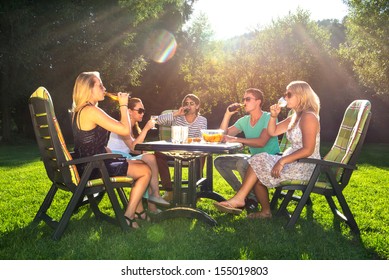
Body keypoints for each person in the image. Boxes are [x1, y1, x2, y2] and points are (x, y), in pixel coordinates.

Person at [214, 81, 321, 219]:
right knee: (258, 163)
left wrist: (282, 161)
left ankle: (240, 198)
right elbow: (273, 131)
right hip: (293, 161)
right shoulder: (295, 117)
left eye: (288, 94)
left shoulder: (309, 117)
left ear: (301, 96)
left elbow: (308, 149)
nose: (285, 98)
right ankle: (264, 211)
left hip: (305, 165)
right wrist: (274, 117)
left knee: (258, 160)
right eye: (284, 94)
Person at [71, 71, 150, 229]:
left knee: (140, 165)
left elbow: (89, 143)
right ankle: (128, 216)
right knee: (145, 171)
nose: (104, 88)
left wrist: (108, 152)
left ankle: (138, 211)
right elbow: (125, 130)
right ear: (89, 89)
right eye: (100, 85)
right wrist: (123, 105)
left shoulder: (80, 111)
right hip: (93, 168)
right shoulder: (91, 111)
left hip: (89, 164)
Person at [214, 88, 280, 212]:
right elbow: (222, 135)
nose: (244, 102)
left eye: (248, 99)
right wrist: (227, 114)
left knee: (242, 163)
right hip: (253, 159)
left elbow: (261, 142)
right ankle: (244, 196)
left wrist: (237, 140)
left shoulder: (269, 117)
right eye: (243, 99)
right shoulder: (244, 120)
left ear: (258, 102)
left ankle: (249, 199)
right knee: (219, 162)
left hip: (271, 159)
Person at [106, 97, 170, 214]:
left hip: (125, 157)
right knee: (149, 160)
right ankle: (153, 200)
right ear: (129, 111)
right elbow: (133, 147)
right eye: (139, 110)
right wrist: (146, 129)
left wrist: (144, 152)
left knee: (150, 157)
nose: (142, 113)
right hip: (116, 159)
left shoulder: (133, 127)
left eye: (143, 111)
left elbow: (135, 150)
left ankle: (153, 199)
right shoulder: (122, 125)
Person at [155, 94, 207, 201]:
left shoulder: (202, 120)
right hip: (174, 152)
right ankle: (169, 190)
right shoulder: (177, 118)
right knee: (158, 153)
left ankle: (195, 189)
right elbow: (158, 121)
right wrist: (176, 113)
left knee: (202, 154)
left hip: (193, 153)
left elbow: (202, 139)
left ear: (197, 106)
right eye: (186, 104)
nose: (188, 106)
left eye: (191, 104)